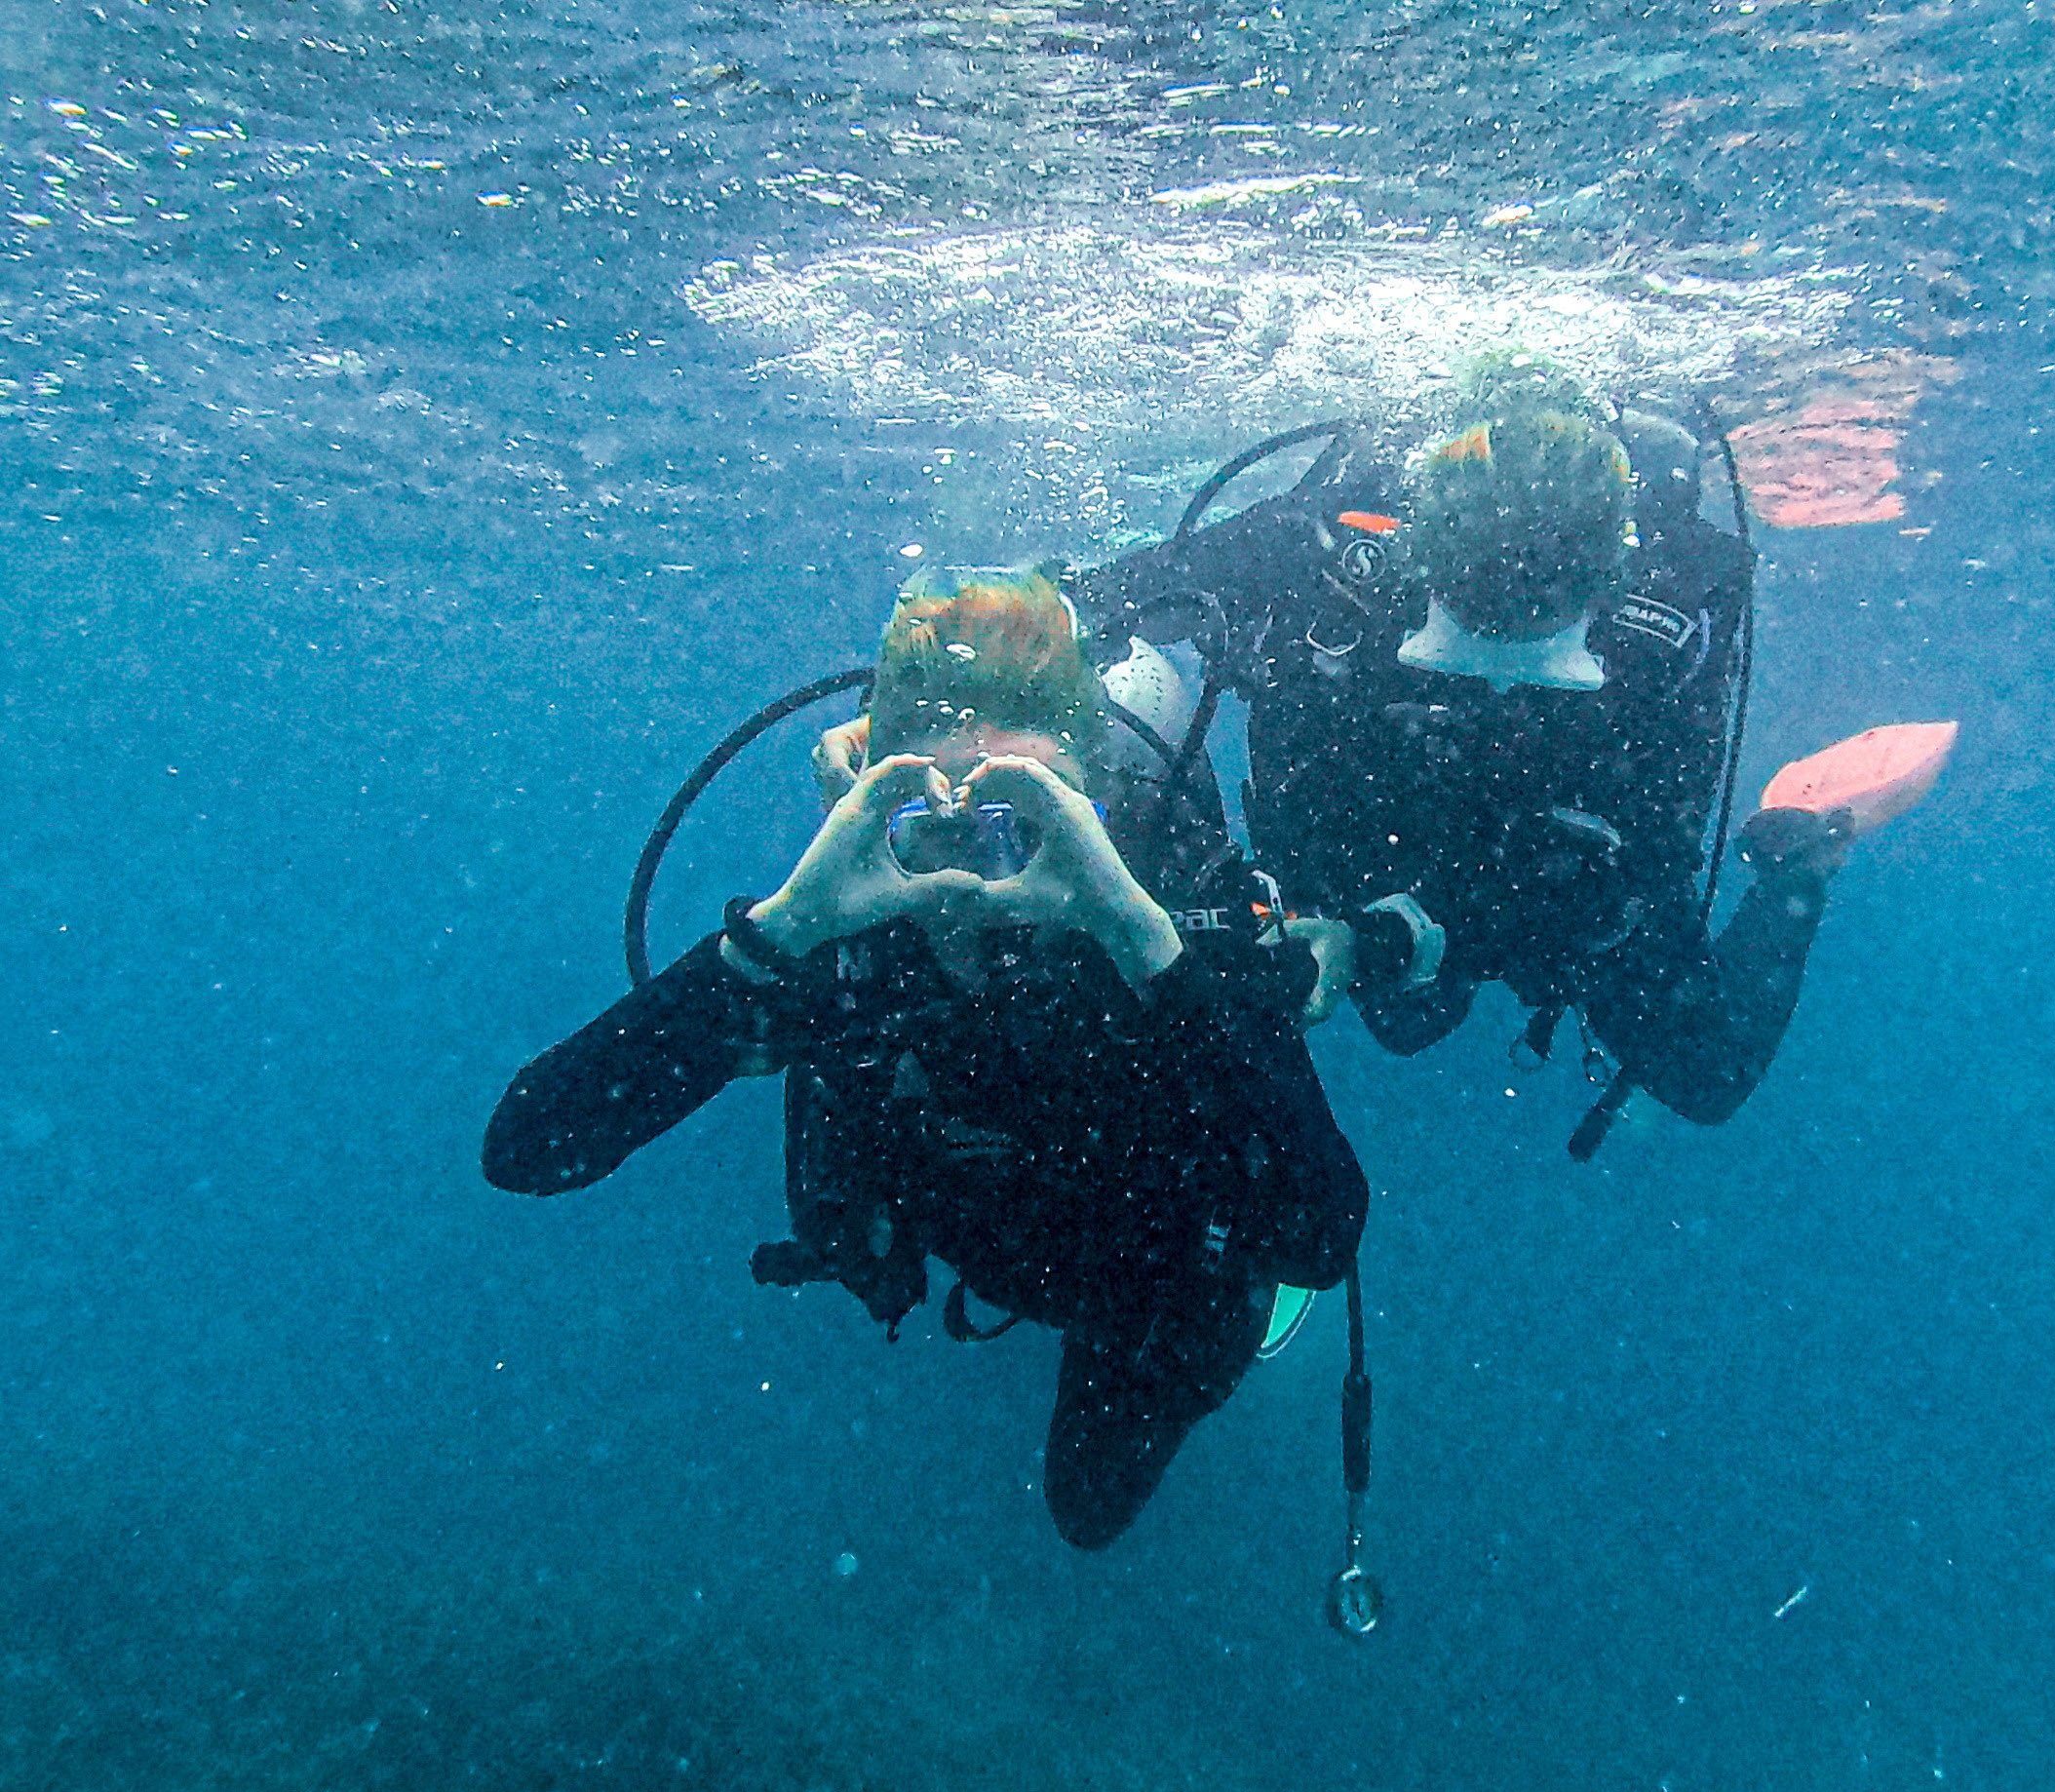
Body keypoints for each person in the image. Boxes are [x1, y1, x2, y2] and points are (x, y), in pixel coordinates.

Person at [483, 569, 1368, 1549]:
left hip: (1147, 1275)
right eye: (935, 832)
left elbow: (1318, 1239)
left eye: (1024, 827)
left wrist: (1149, 949)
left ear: (1094, 804)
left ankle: (1238, 1325)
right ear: (880, 808)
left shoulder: (1161, 927)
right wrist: (780, 934)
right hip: (981, 1237)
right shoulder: (853, 939)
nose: (973, 886)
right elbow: (528, 1147)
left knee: (1088, 1505)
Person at [1067, 355, 1896, 1157]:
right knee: (1403, 1023)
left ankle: (1802, 864)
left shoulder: (1678, 600)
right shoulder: (1316, 545)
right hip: (1371, 835)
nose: (1500, 679)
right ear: (1409, 543)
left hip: (1567, 878)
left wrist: (1400, 936)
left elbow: (1655, 848)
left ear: (1615, 578)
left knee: (1705, 1070)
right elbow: (1093, 602)